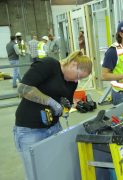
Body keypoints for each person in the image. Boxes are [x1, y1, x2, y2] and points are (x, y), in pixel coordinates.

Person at [13, 50, 92, 180]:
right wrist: (50, 102)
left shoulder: (73, 82)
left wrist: (65, 107)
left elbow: (66, 105)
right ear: (73, 64)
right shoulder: (49, 65)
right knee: (36, 174)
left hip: (54, 128)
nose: (77, 80)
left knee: (57, 168)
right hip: (30, 130)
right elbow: (22, 88)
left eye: (81, 79)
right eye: (78, 75)